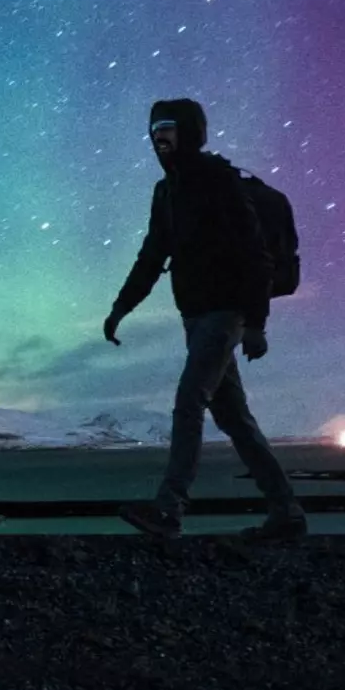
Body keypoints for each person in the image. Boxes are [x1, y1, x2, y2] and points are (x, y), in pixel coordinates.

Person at [104, 98, 307, 542]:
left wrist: (256, 323)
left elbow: (255, 255)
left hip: (225, 312)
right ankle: (286, 511)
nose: (159, 136)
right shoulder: (167, 191)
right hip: (195, 316)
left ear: (190, 131)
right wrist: (121, 308)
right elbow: (152, 255)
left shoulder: (217, 181)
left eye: (168, 126)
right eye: (154, 128)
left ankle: (169, 508)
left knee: (190, 399)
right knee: (234, 419)